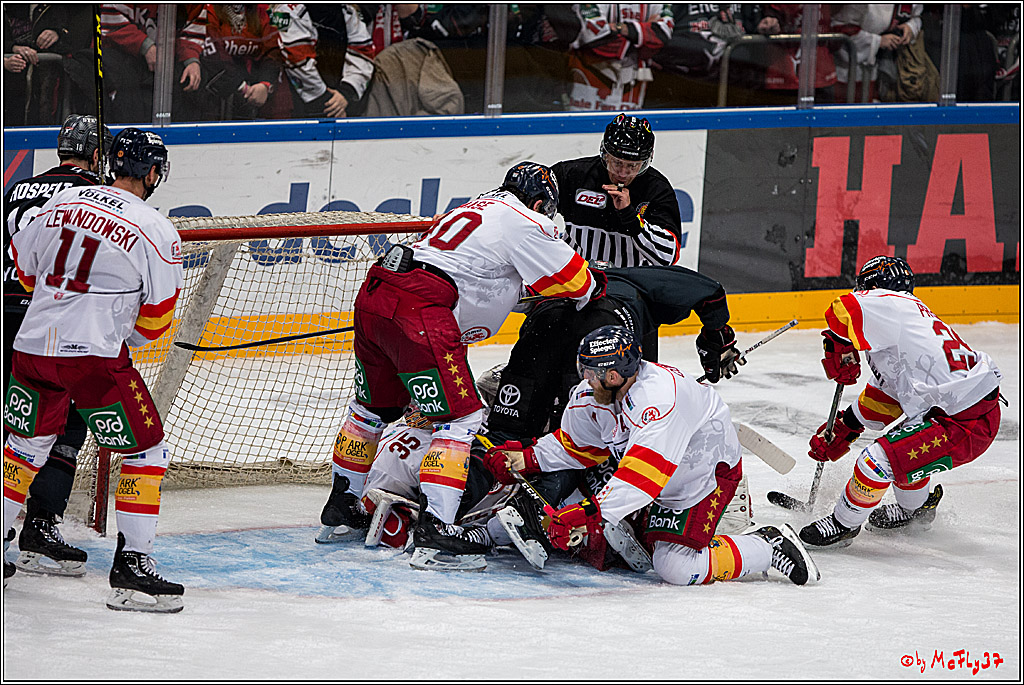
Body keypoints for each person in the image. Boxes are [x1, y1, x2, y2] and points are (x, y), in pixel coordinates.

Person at [317, 161, 605, 571]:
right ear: (541, 203)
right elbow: (580, 283)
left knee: (369, 410)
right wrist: (596, 281)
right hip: (420, 307)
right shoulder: (526, 219)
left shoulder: (471, 208)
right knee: (461, 418)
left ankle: (343, 505)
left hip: (376, 294)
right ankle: (438, 530)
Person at [3, 128, 186, 613]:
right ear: (152, 172)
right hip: (93, 360)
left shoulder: (60, 203)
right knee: (146, 452)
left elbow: (24, 268)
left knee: (24, 447)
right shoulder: (155, 227)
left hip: (32, 347)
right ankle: (133, 568)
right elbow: (155, 320)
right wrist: (115, 329)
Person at [484, 325, 819, 586]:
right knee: (605, 526)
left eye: (591, 372)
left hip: (702, 478)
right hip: (655, 479)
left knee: (675, 567)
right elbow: (578, 445)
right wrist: (525, 459)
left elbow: (642, 477)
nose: (585, 379)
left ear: (614, 375)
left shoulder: (658, 401)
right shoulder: (596, 394)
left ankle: (767, 546)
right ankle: (640, 527)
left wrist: (590, 514)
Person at [798, 256, 1002, 548]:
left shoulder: (889, 303)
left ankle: (843, 525)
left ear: (870, 286)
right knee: (902, 454)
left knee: (876, 462)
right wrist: (847, 426)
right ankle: (916, 511)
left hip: (962, 421)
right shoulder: (906, 323)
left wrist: (838, 345)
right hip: (962, 413)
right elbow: (888, 396)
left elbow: (841, 309)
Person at [3, 115, 113, 583]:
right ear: (97, 154)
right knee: (64, 424)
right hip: (48, 321)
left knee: (14, 425)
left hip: (6, 311)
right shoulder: (93, 197)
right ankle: (41, 525)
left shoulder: (17, 189)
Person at [100, 3, 207, 123]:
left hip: (161, 69)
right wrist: (145, 46)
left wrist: (191, 59)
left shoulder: (196, 5)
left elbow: (192, 31)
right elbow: (109, 18)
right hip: (119, 61)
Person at [269, 3, 375, 118]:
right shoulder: (284, 10)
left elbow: (363, 54)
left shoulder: (348, 10)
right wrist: (329, 105)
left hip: (340, 102)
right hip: (294, 102)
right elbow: (296, 58)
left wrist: (345, 93)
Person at [566, 4, 675, 111]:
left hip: (631, 88)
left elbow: (663, 34)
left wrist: (619, 28)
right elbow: (594, 36)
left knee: (628, 121)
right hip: (590, 84)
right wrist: (644, 37)